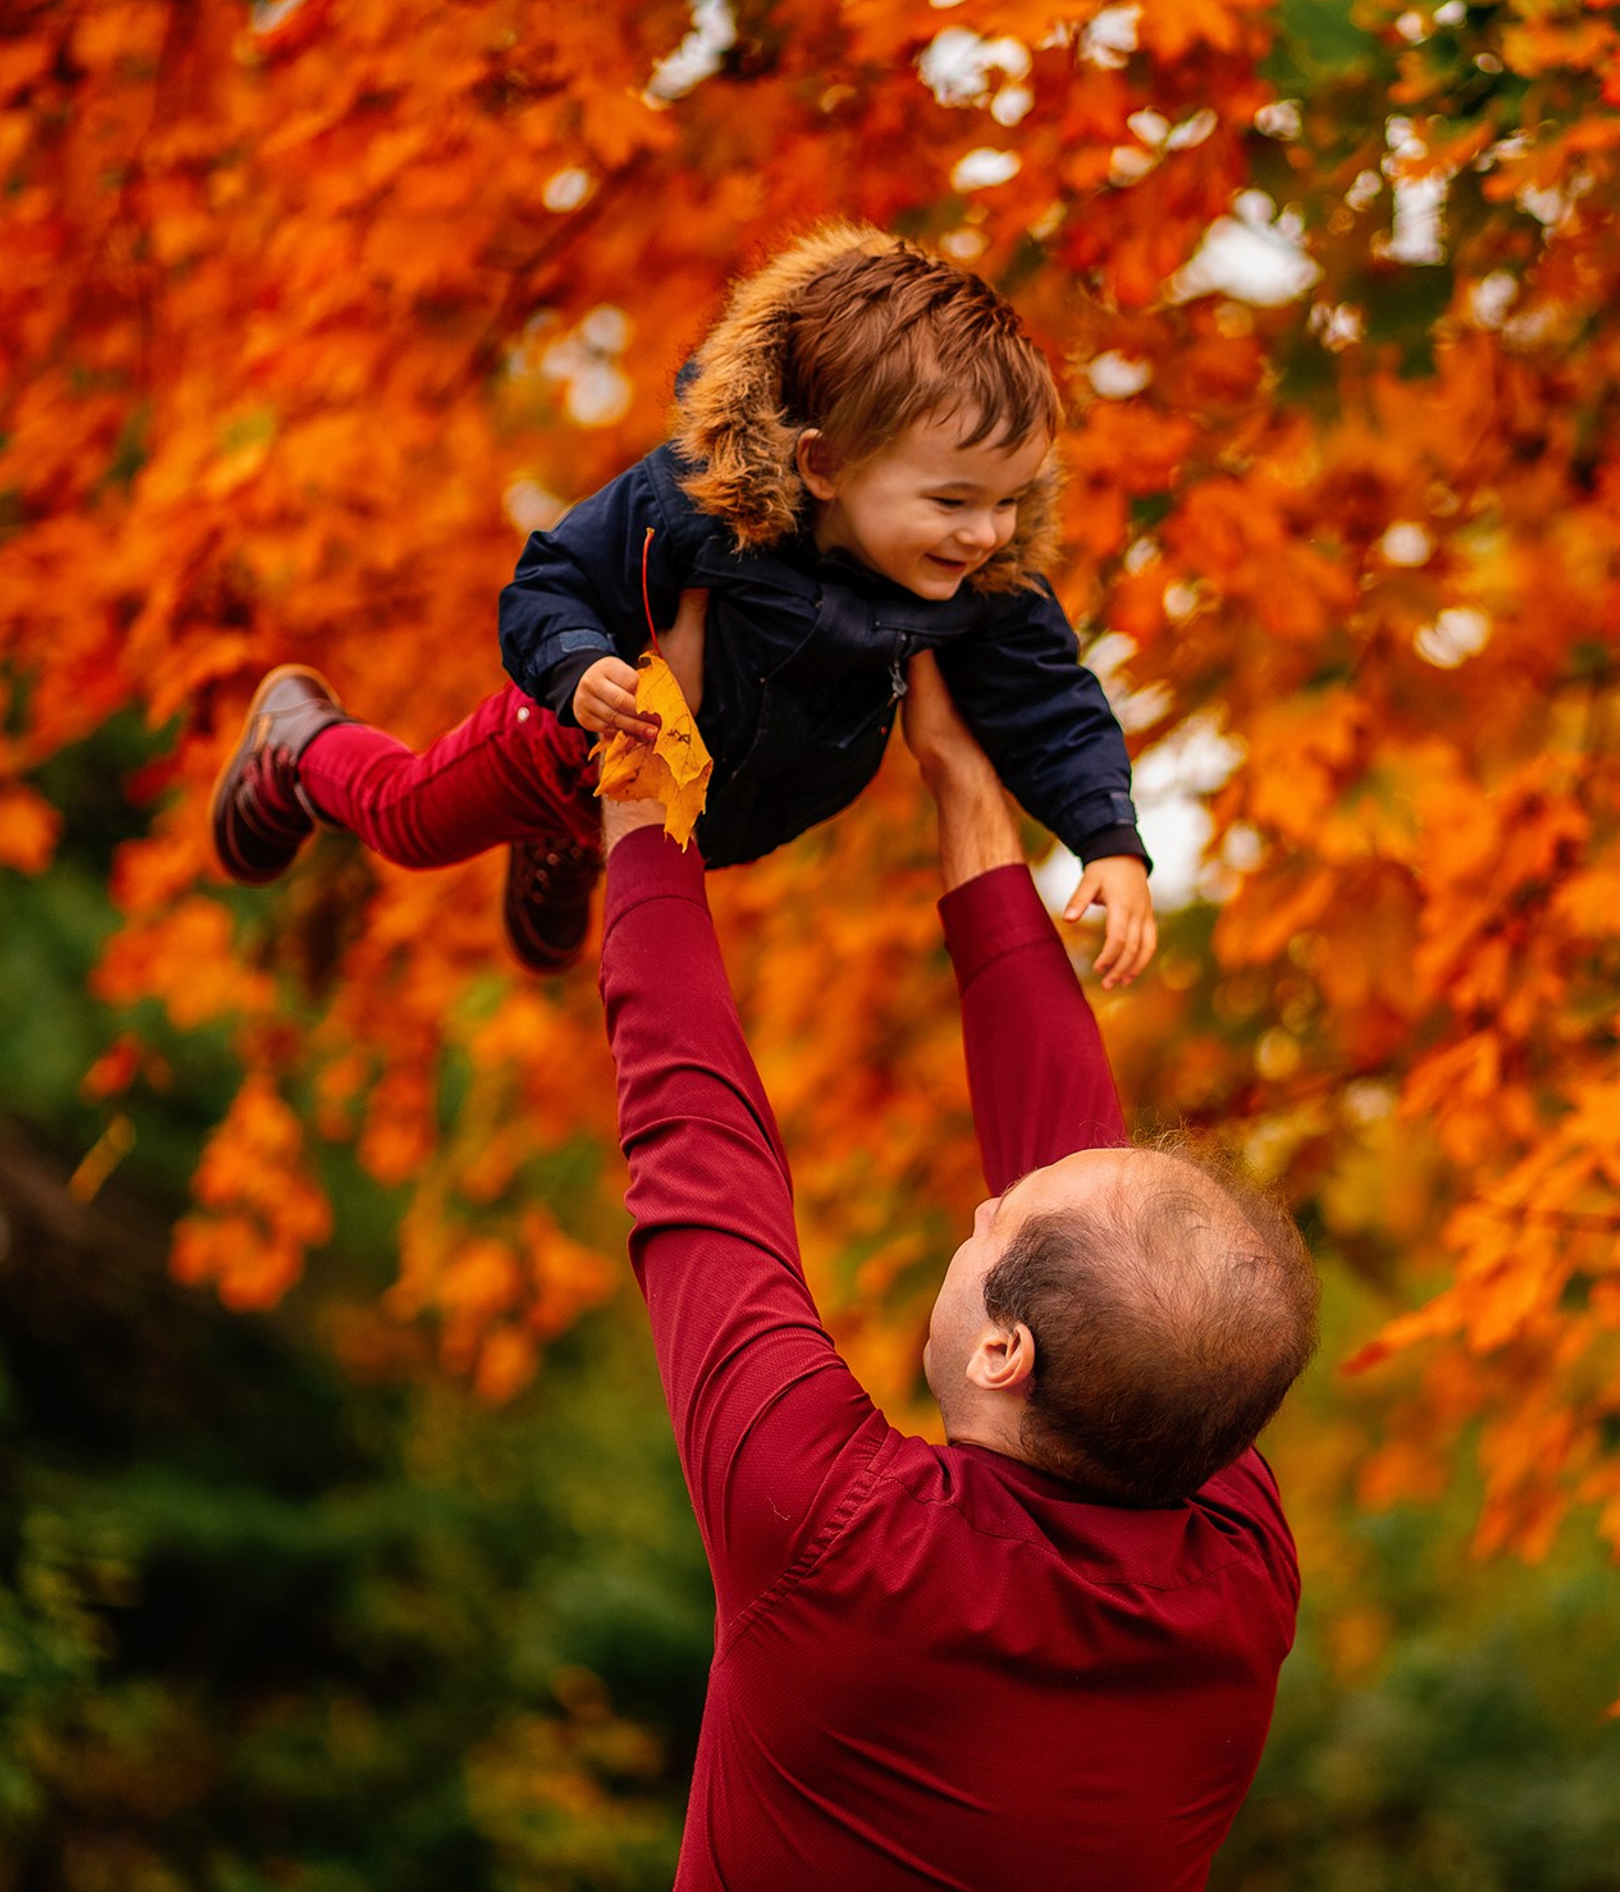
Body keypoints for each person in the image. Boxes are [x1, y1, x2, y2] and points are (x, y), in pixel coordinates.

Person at [597, 649, 1319, 1890]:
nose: (986, 1199)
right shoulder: (1229, 1565)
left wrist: (640, 771)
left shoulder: (839, 1535)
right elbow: (1110, 1249)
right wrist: (968, 794)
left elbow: (700, 1146)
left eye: (996, 1224)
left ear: (1003, 1352)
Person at [209, 222, 1158, 986]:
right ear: (824, 464)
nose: (986, 533)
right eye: (953, 503)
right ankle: (299, 741)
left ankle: (565, 846)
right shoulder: (697, 508)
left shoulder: (979, 585)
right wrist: (579, 666)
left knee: (613, 858)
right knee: (409, 823)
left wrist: (1108, 839)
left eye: (1009, 501)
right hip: (567, 741)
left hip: (711, 807)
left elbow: (1051, 705)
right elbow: (550, 583)